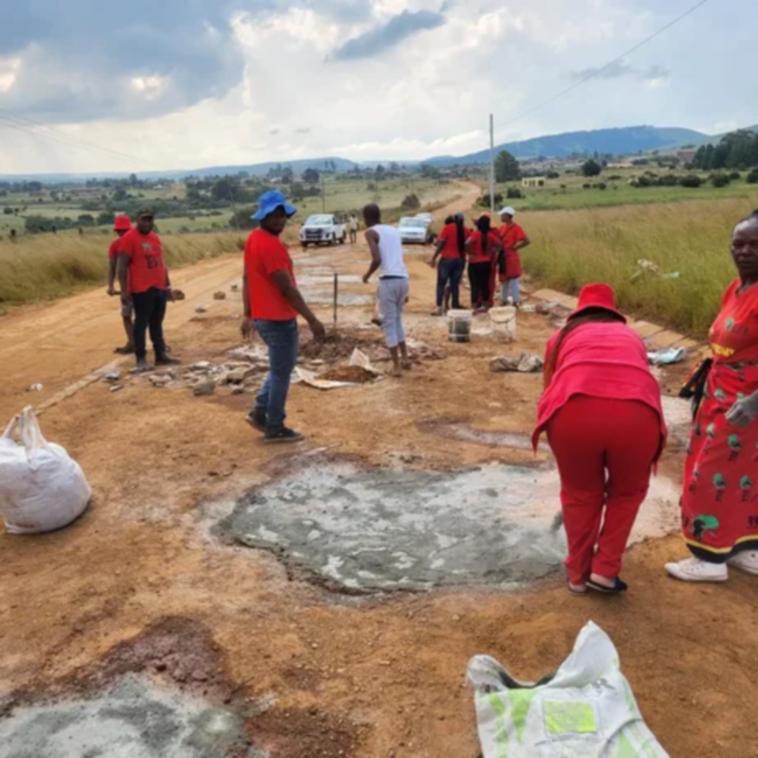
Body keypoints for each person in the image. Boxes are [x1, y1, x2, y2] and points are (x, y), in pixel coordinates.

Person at [533, 283, 666, 595]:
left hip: (574, 414)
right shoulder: (632, 336)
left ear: (579, 310)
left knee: (580, 493)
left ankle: (577, 576)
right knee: (627, 493)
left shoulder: (561, 337)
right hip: (636, 416)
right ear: (612, 312)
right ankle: (605, 570)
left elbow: (550, 388)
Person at [665, 210, 758, 582]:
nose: (745, 251)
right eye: (739, 244)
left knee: (711, 474)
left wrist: (754, 402)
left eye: (754, 244)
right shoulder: (736, 289)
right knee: (741, 475)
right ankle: (742, 548)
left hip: (745, 405)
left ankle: (708, 559)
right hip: (719, 394)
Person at [242, 190, 326, 444]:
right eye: (274, 215)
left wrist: (248, 313)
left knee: (279, 369)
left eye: (282, 215)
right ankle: (274, 426)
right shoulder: (270, 246)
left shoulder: (254, 239)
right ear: (263, 216)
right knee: (281, 373)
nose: (280, 220)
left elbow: (247, 277)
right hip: (277, 318)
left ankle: (259, 412)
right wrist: (312, 320)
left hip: (263, 316)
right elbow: (287, 289)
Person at [116, 209, 178, 372]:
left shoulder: (155, 238)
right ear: (137, 220)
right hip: (141, 288)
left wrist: (168, 285)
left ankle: (160, 354)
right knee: (141, 324)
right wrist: (124, 290)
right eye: (144, 220)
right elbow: (121, 266)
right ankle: (141, 358)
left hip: (159, 287)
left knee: (157, 322)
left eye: (150, 220)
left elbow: (162, 263)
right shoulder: (129, 239)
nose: (147, 223)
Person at [362, 203, 410, 377]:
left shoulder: (370, 232)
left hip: (388, 281)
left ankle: (396, 366)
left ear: (366, 218)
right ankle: (405, 358)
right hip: (403, 279)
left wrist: (366, 275)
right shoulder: (393, 230)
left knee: (389, 323)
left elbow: (377, 259)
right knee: (397, 320)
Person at [428, 213, 467, 315]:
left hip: (446, 260)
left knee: (441, 284)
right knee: (454, 285)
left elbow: (441, 244)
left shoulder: (448, 228)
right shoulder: (465, 230)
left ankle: (439, 307)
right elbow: (468, 245)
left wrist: (434, 258)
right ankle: (455, 304)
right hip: (459, 261)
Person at [107, 213, 134, 354]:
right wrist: (111, 285)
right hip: (129, 286)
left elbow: (112, 266)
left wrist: (111, 285)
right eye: (120, 230)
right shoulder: (116, 245)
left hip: (133, 286)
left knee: (129, 315)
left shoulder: (118, 245)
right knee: (129, 315)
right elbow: (112, 266)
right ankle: (133, 342)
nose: (121, 233)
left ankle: (134, 342)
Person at [465, 214, 501, 312]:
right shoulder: (490, 235)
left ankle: (474, 306)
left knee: (474, 285)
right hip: (486, 263)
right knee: (485, 284)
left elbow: (467, 243)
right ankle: (485, 305)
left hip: (474, 263)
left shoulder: (475, 234)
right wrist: (492, 251)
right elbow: (499, 245)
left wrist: (470, 252)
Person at [497, 206, 530, 306]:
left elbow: (526, 241)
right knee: (504, 280)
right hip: (503, 256)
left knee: (513, 280)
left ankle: (515, 301)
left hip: (511, 257)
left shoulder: (516, 228)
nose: (501, 217)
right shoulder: (502, 227)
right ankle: (504, 300)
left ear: (508, 216)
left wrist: (515, 248)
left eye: (502, 215)